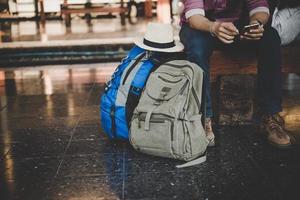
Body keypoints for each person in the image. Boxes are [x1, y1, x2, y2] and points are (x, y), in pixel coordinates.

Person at [180, 0, 292, 148]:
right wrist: (214, 27)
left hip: (237, 26)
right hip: (202, 26)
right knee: (197, 48)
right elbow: (195, 18)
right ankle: (202, 118)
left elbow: (259, 7)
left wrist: (256, 23)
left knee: (270, 37)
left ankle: (269, 115)